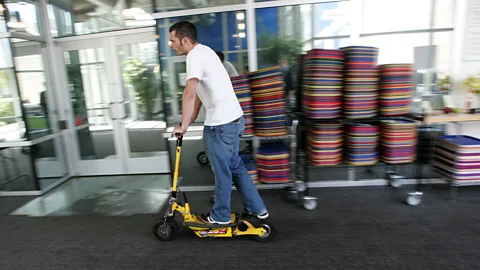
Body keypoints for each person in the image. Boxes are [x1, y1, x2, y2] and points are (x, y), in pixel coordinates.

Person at [169, 21, 269, 224]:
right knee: (235, 167)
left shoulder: (194, 56)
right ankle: (258, 209)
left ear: (185, 39)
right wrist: (190, 120)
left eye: (173, 40)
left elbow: (189, 92)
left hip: (221, 125)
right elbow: (198, 93)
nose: (171, 45)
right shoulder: (206, 52)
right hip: (234, 120)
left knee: (222, 172)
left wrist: (184, 126)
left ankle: (221, 216)